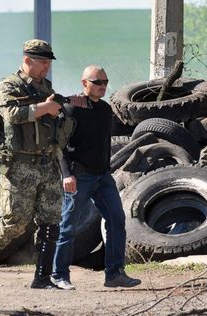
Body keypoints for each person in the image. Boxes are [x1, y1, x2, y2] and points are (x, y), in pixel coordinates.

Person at [0, 39, 86, 289]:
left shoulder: (46, 86)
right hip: (18, 164)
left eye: (48, 63)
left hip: (47, 162)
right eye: (43, 62)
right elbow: (11, 113)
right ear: (27, 60)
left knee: (51, 220)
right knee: (15, 221)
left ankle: (43, 279)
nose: (47, 67)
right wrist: (45, 107)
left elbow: (52, 128)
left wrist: (60, 108)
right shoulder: (9, 85)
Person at [51, 65, 141, 290]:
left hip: (103, 176)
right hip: (79, 176)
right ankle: (58, 274)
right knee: (69, 226)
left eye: (105, 82)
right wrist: (66, 174)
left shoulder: (105, 110)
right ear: (84, 83)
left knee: (117, 220)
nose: (102, 86)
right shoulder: (71, 108)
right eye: (97, 82)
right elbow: (58, 145)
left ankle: (114, 274)